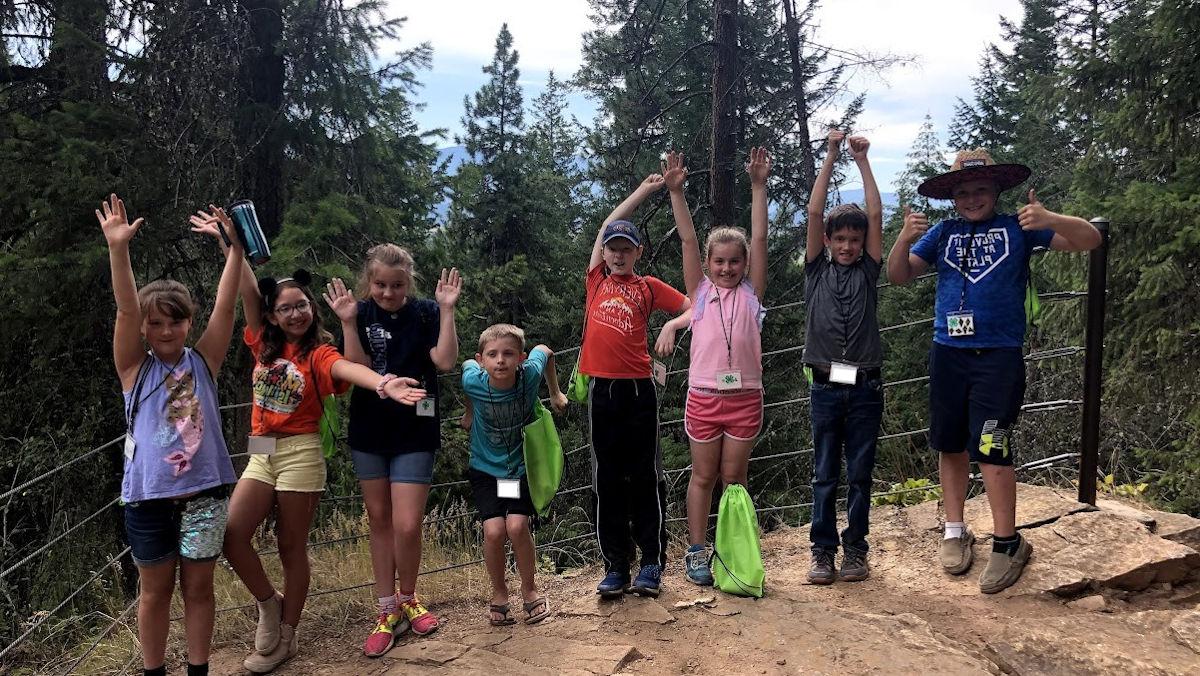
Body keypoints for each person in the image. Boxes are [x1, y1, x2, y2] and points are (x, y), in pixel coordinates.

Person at [194, 209, 427, 673]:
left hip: (301, 450)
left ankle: (286, 636)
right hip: (261, 448)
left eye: (302, 305)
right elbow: (243, 289)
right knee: (233, 534)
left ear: (311, 309)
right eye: (286, 308)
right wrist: (231, 246)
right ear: (273, 315)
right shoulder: (261, 340)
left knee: (288, 545)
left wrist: (381, 383)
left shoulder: (318, 351)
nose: (296, 313)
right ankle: (269, 603)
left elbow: (346, 368)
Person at [887, 149, 1101, 593]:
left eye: (980, 189)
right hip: (947, 352)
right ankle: (954, 530)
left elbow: (1089, 240)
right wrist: (904, 238)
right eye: (962, 192)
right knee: (949, 443)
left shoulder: (1019, 229)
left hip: (999, 356)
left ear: (996, 190)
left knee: (991, 445)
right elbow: (899, 275)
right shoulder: (943, 233)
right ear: (952, 198)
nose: (971, 198)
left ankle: (1007, 543)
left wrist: (1050, 217)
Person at [99, 194, 240, 676]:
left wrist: (235, 252)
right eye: (154, 322)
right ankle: (154, 672)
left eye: (175, 320)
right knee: (155, 592)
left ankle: (198, 669)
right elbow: (123, 309)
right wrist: (119, 250)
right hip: (147, 498)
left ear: (188, 322)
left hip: (205, 495)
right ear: (143, 326)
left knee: (200, 590)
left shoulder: (203, 361)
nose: (165, 330)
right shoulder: (133, 369)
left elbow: (226, 305)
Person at [322, 245, 461, 656]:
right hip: (370, 428)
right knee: (379, 519)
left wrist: (448, 310)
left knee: (407, 523)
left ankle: (409, 597)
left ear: (409, 282)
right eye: (380, 284)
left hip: (416, 426)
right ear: (370, 281)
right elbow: (355, 367)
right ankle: (387, 611)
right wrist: (348, 322)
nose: (387, 292)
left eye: (396, 285)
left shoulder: (425, 312)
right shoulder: (361, 312)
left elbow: (445, 361)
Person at [654, 147, 770, 586]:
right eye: (718, 261)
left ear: (744, 265)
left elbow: (758, 239)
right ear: (707, 264)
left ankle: (732, 548)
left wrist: (758, 187)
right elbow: (686, 238)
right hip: (703, 397)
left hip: (745, 399)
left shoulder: (752, 293)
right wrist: (677, 194)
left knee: (734, 479)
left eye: (734, 262)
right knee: (703, 476)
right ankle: (697, 551)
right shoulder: (700, 292)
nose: (727, 268)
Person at [579, 174, 692, 599]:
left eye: (626, 249)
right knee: (606, 480)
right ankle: (615, 567)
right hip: (602, 392)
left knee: (645, 477)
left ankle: (651, 563)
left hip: (640, 391)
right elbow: (607, 222)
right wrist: (645, 191)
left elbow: (694, 307)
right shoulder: (596, 281)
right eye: (613, 248)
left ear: (637, 253)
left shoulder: (647, 287)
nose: (618, 255)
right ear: (604, 253)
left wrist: (672, 325)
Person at [799, 131, 885, 584]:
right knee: (824, 474)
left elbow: (874, 211)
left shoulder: (870, 272)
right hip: (826, 387)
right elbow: (814, 211)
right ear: (828, 241)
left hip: (866, 386)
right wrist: (830, 156)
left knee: (860, 474)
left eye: (855, 239)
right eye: (840, 239)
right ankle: (822, 550)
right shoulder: (816, 272)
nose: (849, 246)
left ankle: (856, 549)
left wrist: (863, 161)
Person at [460, 324, 567, 625]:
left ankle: (530, 591)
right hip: (484, 467)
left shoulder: (529, 375)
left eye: (508, 353)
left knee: (517, 527)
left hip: (519, 466)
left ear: (520, 358)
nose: (500, 361)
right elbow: (465, 370)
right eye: (492, 355)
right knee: (493, 531)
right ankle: (499, 594)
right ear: (482, 360)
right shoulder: (474, 380)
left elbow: (545, 351)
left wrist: (555, 393)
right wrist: (469, 413)